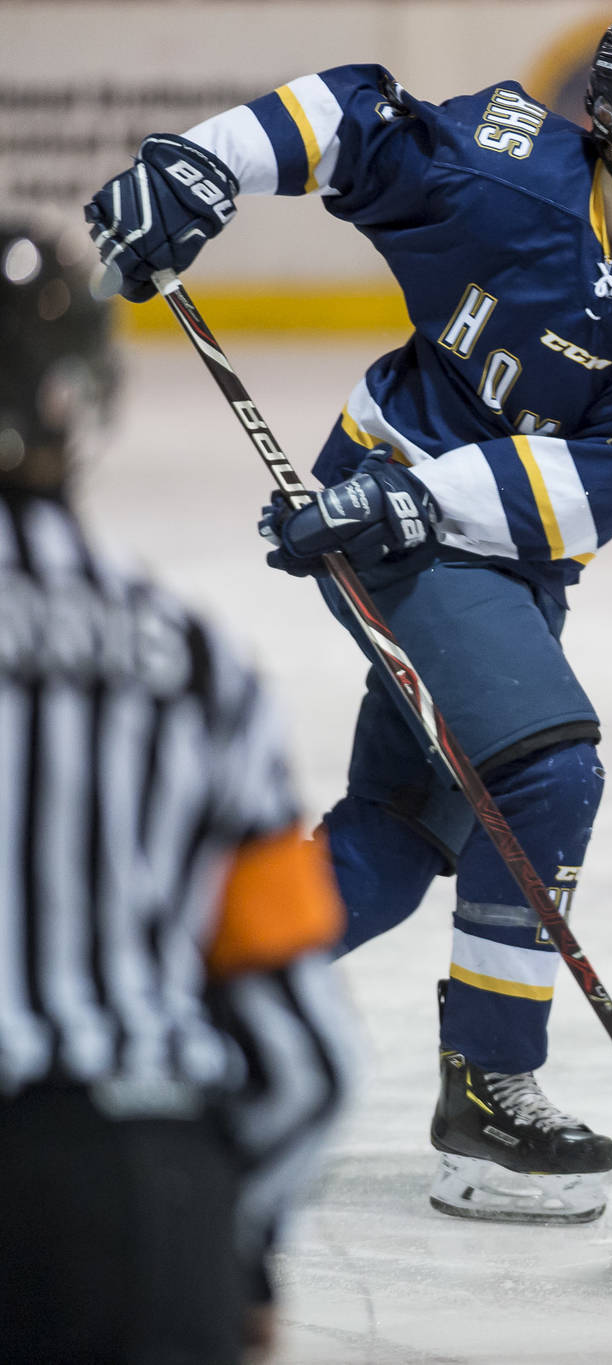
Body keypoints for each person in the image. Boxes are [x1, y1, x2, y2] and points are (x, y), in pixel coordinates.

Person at [83, 6, 612, 1222]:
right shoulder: (508, 176)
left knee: (397, 845)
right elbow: (353, 114)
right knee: (547, 777)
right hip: (387, 510)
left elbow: (603, 486)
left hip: (473, 538)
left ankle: (143, 981)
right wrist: (202, 165)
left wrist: (416, 503)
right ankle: (493, 1095)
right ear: (607, 121)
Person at [0, 221, 356, 1362]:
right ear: (80, 399)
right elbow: (308, 1056)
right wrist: (229, 1244)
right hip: (141, 1206)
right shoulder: (194, 662)